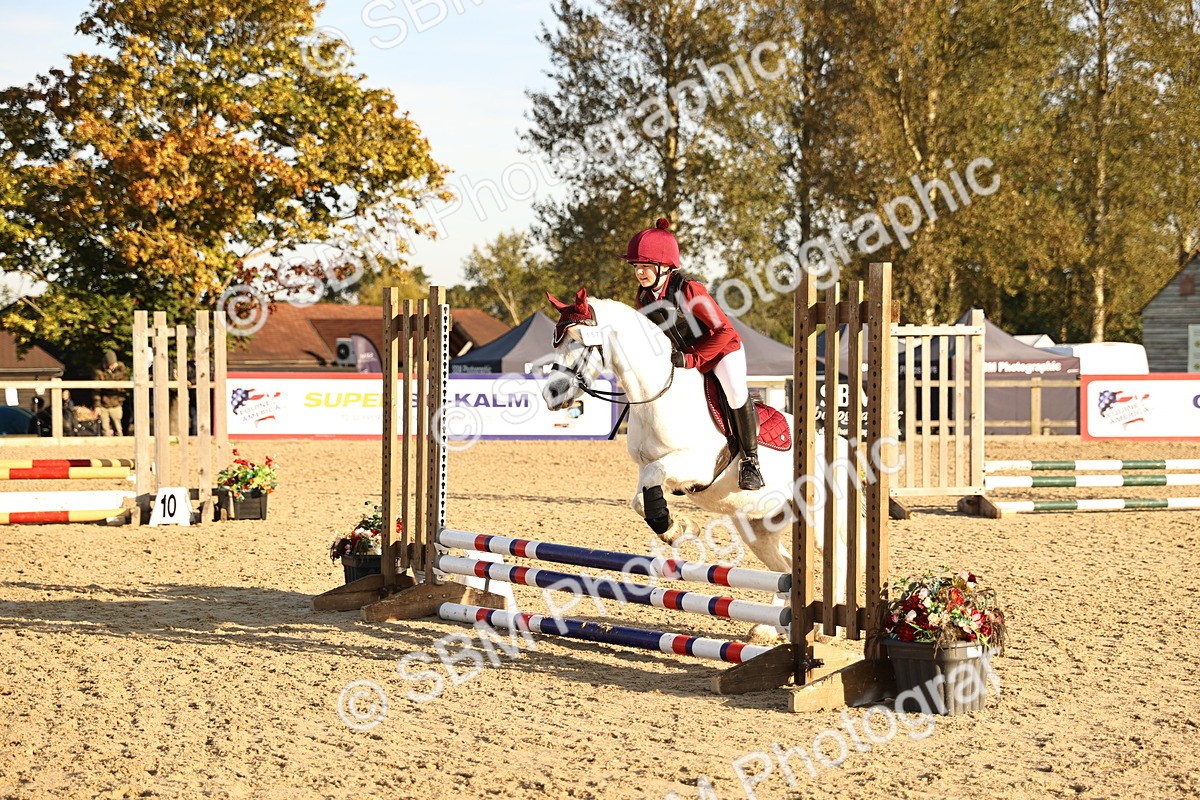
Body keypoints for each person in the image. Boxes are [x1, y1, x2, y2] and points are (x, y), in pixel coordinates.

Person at [622, 217, 764, 491]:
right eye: (636, 266)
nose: (640, 272)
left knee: (734, 393)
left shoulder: (689, 289)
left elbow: (723, 330)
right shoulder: (644, 297)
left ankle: (750, 462)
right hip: (687, 356)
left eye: (645, 266)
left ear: (664, 266)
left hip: (722, 350)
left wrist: (691, 359)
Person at [93, 349, 130, 436]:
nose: (111, 367)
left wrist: (120, 399)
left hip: (116, 403)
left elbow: (124, 386)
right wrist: (97, 406)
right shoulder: (99, 372)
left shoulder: (121, 370)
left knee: (118, 428)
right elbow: (96, 391)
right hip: (103, 404)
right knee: (105, 429)